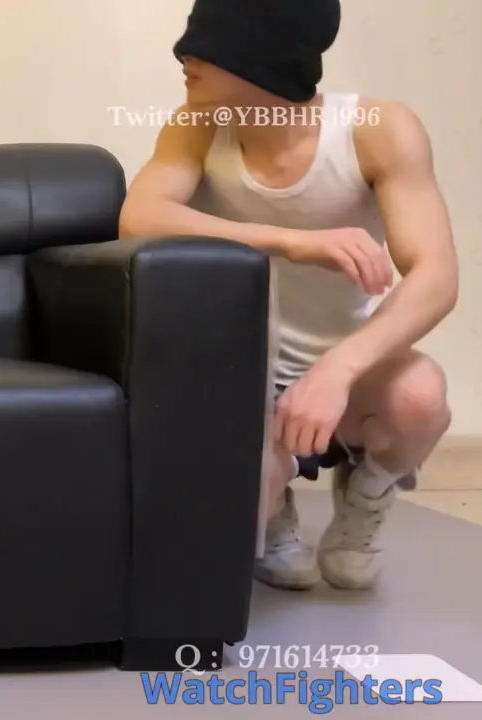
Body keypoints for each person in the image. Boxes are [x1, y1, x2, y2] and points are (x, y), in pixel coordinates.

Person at [118, 0, 458, 590]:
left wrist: (338, 369)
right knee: (234, 501)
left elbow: (437, 277)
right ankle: (275, 509)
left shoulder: (377, 129)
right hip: (246, 371)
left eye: (208, 42)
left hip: (344, 371)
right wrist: (293, 241)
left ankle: (368, 493)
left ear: (262, 53)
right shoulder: (197, 126)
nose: (184, 55)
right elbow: (139, 217)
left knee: (420, 396)